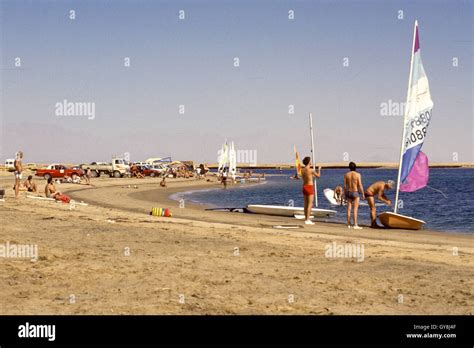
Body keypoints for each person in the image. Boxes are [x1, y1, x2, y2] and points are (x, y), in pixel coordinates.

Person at [343, 162, 364, 229]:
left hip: (349, 192)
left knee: (348, 209)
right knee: (355, 209)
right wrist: (363, 193)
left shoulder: (346, 175)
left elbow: (345, 186)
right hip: (355, 192)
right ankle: (355, 224)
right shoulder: (358, 175)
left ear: (349, 168)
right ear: (355, 167)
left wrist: (345, 194)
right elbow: (360, 185)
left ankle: (348, 224)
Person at [301, 157, 321, 225]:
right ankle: (307, 219)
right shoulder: (311, 170)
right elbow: (318, 176)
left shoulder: (302, 170)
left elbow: (307, 176)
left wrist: (311, 176)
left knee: (305, 204)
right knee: (310, 204)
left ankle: (306, 218)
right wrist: (319, 170)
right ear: (309, 162)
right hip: (309, 187)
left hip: (304, 187)